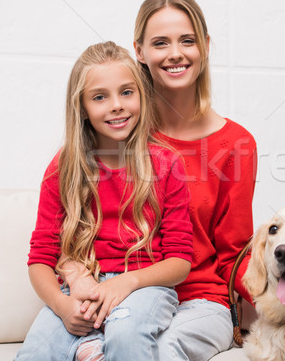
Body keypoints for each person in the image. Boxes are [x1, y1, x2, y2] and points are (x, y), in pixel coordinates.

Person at [67, 0, 258, 360]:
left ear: (204, 46)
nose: (175, 53)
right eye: (160, 43)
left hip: (199, 302)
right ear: (139, 51)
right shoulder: (115, 129)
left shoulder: (237, 144)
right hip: (121, 298)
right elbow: (77, 229)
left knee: (161, 347)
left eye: (187, 40)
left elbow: (234, 252)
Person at [14, 41, 194, 361]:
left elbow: (180, 262)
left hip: (143, 288)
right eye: (100, 97)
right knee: (34, 354)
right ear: (82, 107)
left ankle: (97, 344)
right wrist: (61, 304)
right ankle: (89, 346)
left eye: (127, 92)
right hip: (79, 291)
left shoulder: (167, 164)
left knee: (126, 337)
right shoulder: (63, 167)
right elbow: (40, 258)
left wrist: (127, 282)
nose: (116, 105)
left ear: (141, 95)